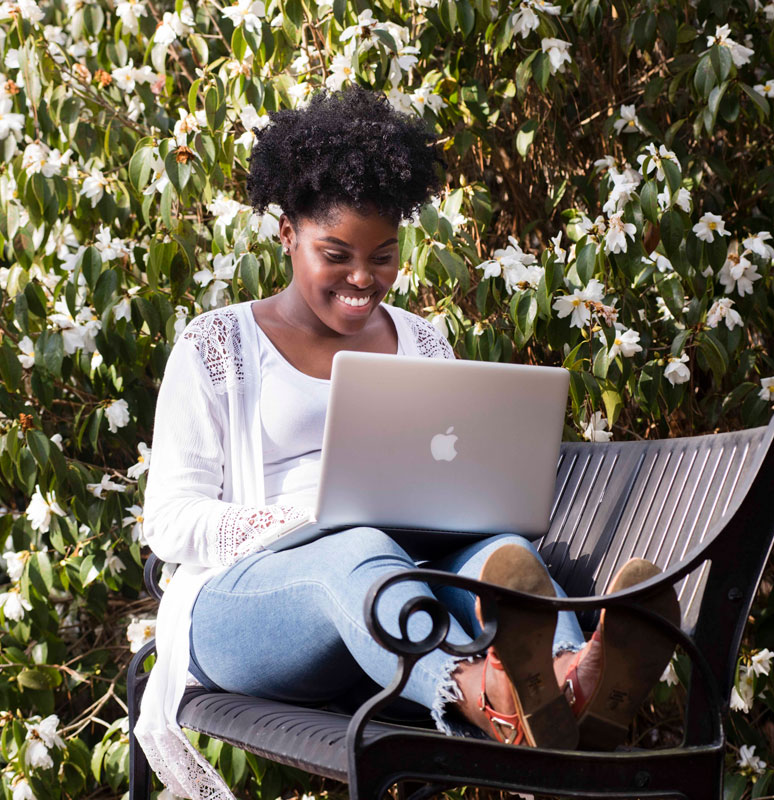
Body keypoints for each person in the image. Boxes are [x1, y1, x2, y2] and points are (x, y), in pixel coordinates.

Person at [133, 87, 679, 799]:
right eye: (337, 254)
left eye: (384, 256)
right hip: (246, 614)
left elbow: (457, 483)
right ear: (286, 234)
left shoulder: (424, 343)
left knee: (494, 557)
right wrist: (317, 520)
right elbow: (170, 522)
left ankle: (576, 687)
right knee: (356, 549)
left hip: (395, 594)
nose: (364, 279)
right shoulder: (218, 345)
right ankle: (481, 694)